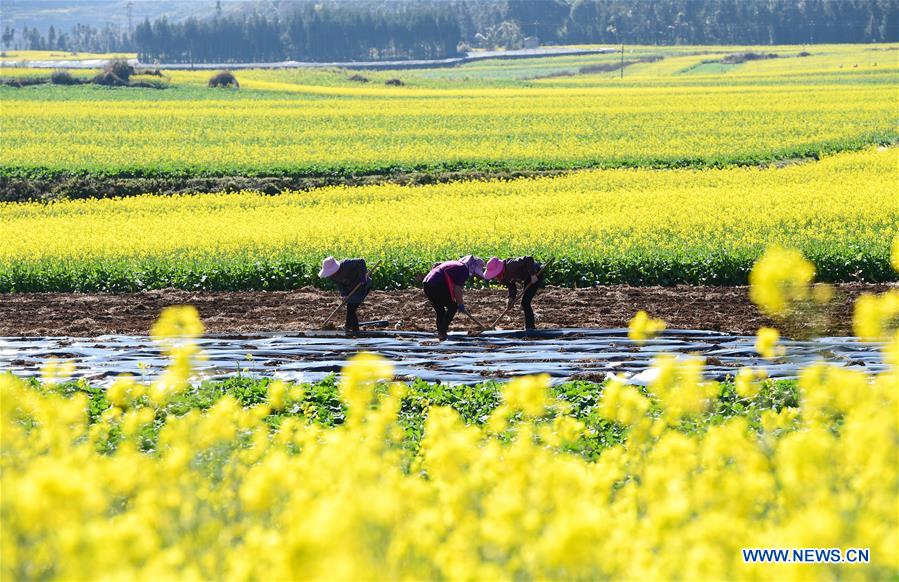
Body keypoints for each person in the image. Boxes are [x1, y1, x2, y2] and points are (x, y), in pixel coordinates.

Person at [422, 255, 485, 340]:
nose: (474, 274)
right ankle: (442, 332)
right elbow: (457, 289)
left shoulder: (457, 265)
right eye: (475, 272)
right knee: (452, 306)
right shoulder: (463, 269)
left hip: (427, 284)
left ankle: (441, 333)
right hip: (436, 284)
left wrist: (458, 301)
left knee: (440, 311)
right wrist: (460, 304)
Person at [484, 256, 544, 330]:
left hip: (535, 272)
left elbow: (529, 259)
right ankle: (529, 327)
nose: (495, 278)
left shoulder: (511, 265)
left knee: (525, 302)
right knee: (525, 302)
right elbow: (511, 286)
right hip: (527, 276)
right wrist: (511, 298)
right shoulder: (503, 277)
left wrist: (533, 274)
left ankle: (530, 327)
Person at [319, 256, 371, 334]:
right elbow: (340, 285)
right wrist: (344, 294)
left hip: (361, 285)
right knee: (351, 308)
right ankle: (353, 329)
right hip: (350, 289)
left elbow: (361, 261)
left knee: (351, 307)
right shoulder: (332, 276)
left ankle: (350, 328)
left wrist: (362, 277)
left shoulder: (346, 264)